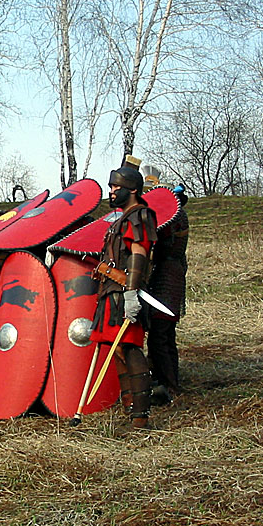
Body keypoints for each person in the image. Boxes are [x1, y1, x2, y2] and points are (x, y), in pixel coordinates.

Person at [91, 155, 158, 429]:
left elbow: (139, 254)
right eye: (110, 187)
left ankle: (141, 415)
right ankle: (129, 404)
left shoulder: (141, 215)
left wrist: (131, 294)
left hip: (124, 291)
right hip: (110, 289)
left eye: (116, 187)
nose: (111, 192)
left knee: (129, 346)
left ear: (132, 189)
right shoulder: (120, 220)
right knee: (114, 347)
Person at [147, 183, 189, 404]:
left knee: (160, 335)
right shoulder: (178, 215)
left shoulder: (175, 216)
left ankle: (169, 384)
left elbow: (160, 242)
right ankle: (169, 380)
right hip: (170, 271)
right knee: (165, 334)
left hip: (167, 274)